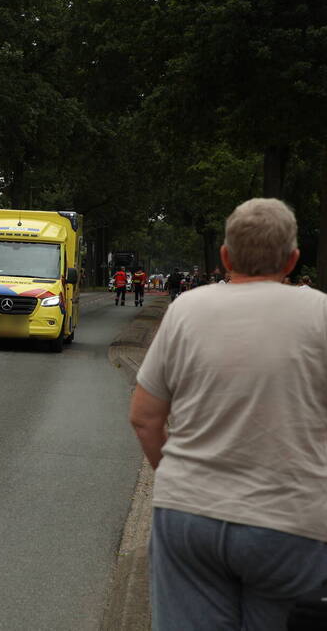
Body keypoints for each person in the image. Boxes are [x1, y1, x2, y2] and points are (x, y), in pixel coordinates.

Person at [130, 198, 327, 630]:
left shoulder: (186, 310)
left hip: (189, 515)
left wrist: (181, 477)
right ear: (293, 260)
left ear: (225, 256)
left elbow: (144, 417)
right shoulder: (321, 314)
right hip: (291, 520)